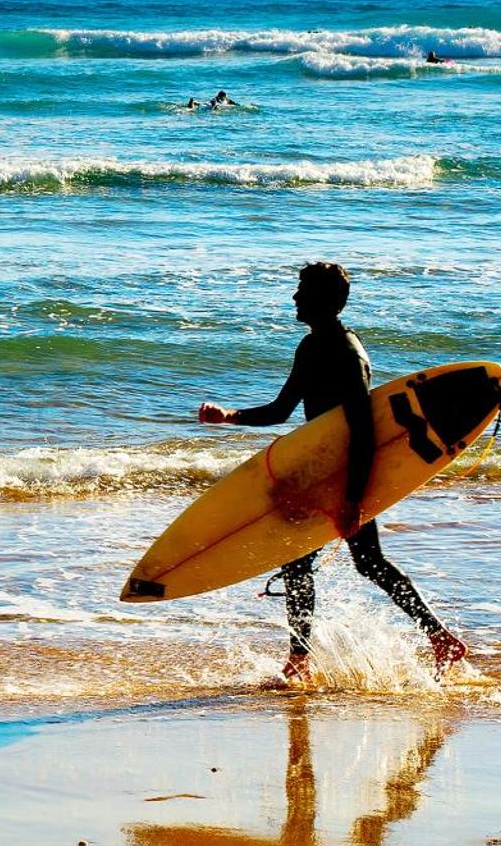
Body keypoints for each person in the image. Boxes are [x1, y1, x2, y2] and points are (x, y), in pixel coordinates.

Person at [197, 262, 469, 682]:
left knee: (349, 562)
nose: (294, 297)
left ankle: (303, 661)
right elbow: (281, 410)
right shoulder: (311, 347)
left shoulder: (346, 354)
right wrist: (228, 417)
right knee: (347, 563)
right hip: (323, 471)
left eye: (302, 290)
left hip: (346, 474)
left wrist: (353, 499)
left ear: (324, 300)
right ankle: (428, 640)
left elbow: (364, 432)